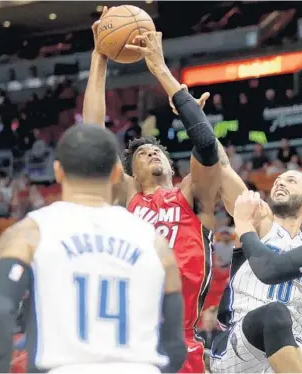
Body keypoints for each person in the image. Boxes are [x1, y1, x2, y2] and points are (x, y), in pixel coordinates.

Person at [83, 9, 247, 373]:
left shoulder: (192, 194)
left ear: (174, 167)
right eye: (142, 153)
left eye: (157, 150)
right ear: (131, 170)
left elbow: (205, 145)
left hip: (178, 339)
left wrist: (160, 69)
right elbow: (93, 137)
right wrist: (99, 59)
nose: (152, 152)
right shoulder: (128, 197)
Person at [0, 125, 186, 374]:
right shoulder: (155, 242)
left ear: (57, 171)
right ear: (116, 173)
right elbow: (175, 344)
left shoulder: (28, 233)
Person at [211, 170, 302, 373]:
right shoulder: (258, 220)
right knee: (275, 311)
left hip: (290, 348)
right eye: (277, 181)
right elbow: (224, 170)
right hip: (242, 343)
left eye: (290, 181)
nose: (279, 184)